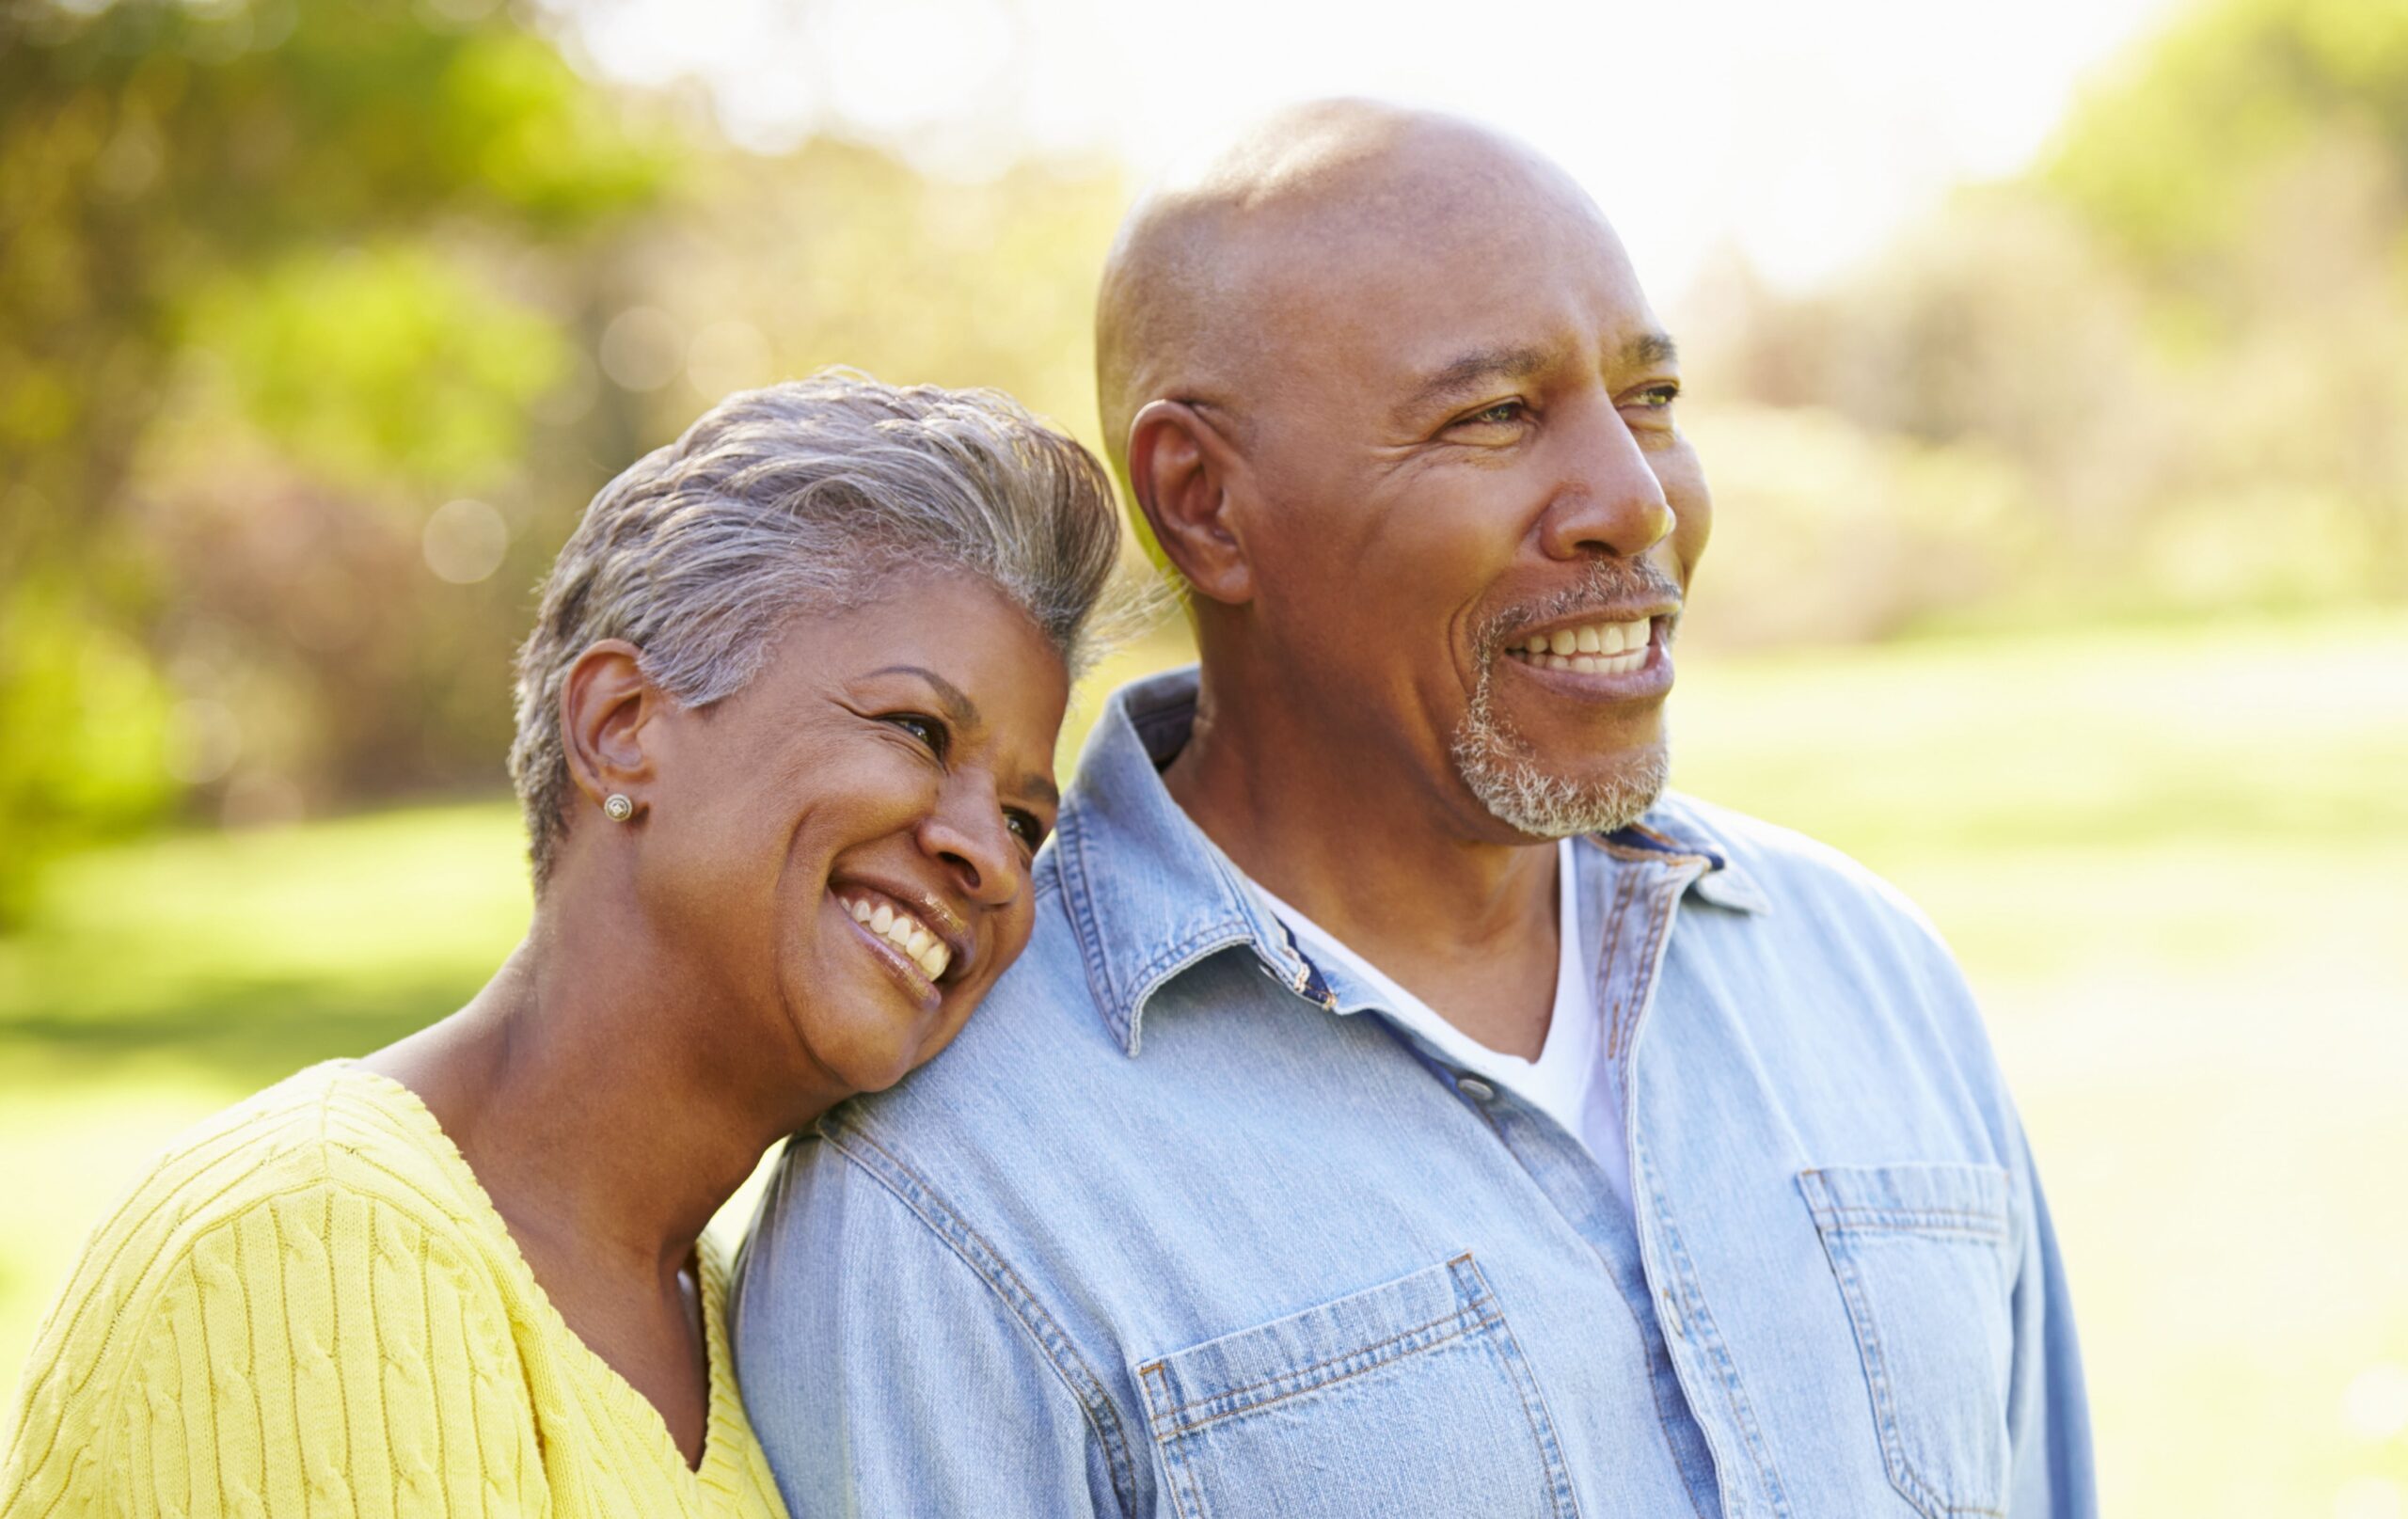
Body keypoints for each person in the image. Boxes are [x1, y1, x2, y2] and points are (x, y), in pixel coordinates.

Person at [733, 103, 2097, 1518]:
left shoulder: (1870, 975)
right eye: (1498, 414)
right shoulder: (947, 1200)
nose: (1635, 501)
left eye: (1652, 402)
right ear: (1204, 503)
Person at [0, 373, 1126, 1516]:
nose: (989, 857)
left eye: (1028, 821)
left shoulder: (758, 1343)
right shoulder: (311, 1247)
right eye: (917, 730)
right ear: (621, 727)